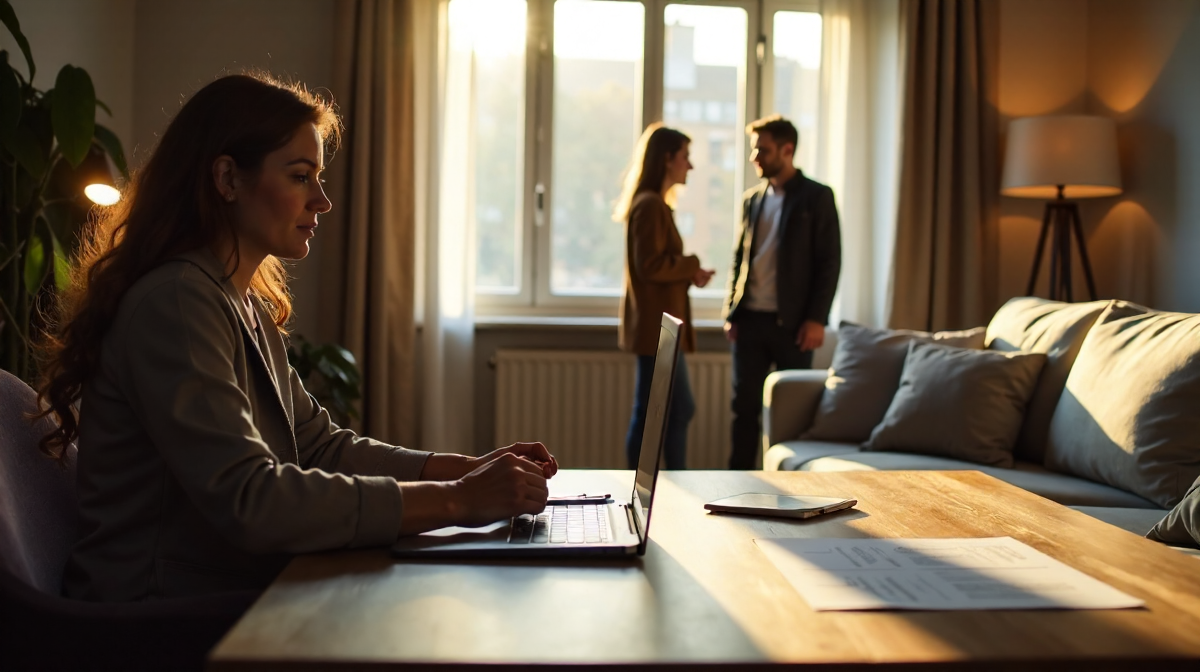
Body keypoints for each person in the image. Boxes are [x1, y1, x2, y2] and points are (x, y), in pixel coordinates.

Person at [35, 73, 558, 602]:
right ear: (228, 179)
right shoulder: (176, 302)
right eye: (301, 176)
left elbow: (316, 446)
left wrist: (469, 472)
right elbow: (251, 500)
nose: (323, 201)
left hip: (215, 590)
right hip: (156, 619)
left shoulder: (236, 300)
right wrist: (456, 501)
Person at [723, 115, 841, 470]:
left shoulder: (817, 197)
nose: (754, 157)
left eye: (762, 149)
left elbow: (829, 263)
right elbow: (739, 259)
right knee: (743, 410)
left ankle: (789, 490)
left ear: (787, 150)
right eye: (754, 149)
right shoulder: (751, 201)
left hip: (795, 326)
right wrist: (732, 311)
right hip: (751, 322)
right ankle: (736, 487)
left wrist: (816, 319)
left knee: (792, 414)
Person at [614, 123, 716, 470]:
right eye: (685, 157)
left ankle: (664, 483)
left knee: (659, 410)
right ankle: (664, 484)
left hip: (660, 327)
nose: (690, 165)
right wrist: (691, 264)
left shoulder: (653, 205)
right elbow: (650, 266)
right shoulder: (650, 206)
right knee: (659, 411)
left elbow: (655, 267)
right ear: (667, 159)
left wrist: (689, 273)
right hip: (658, 329)